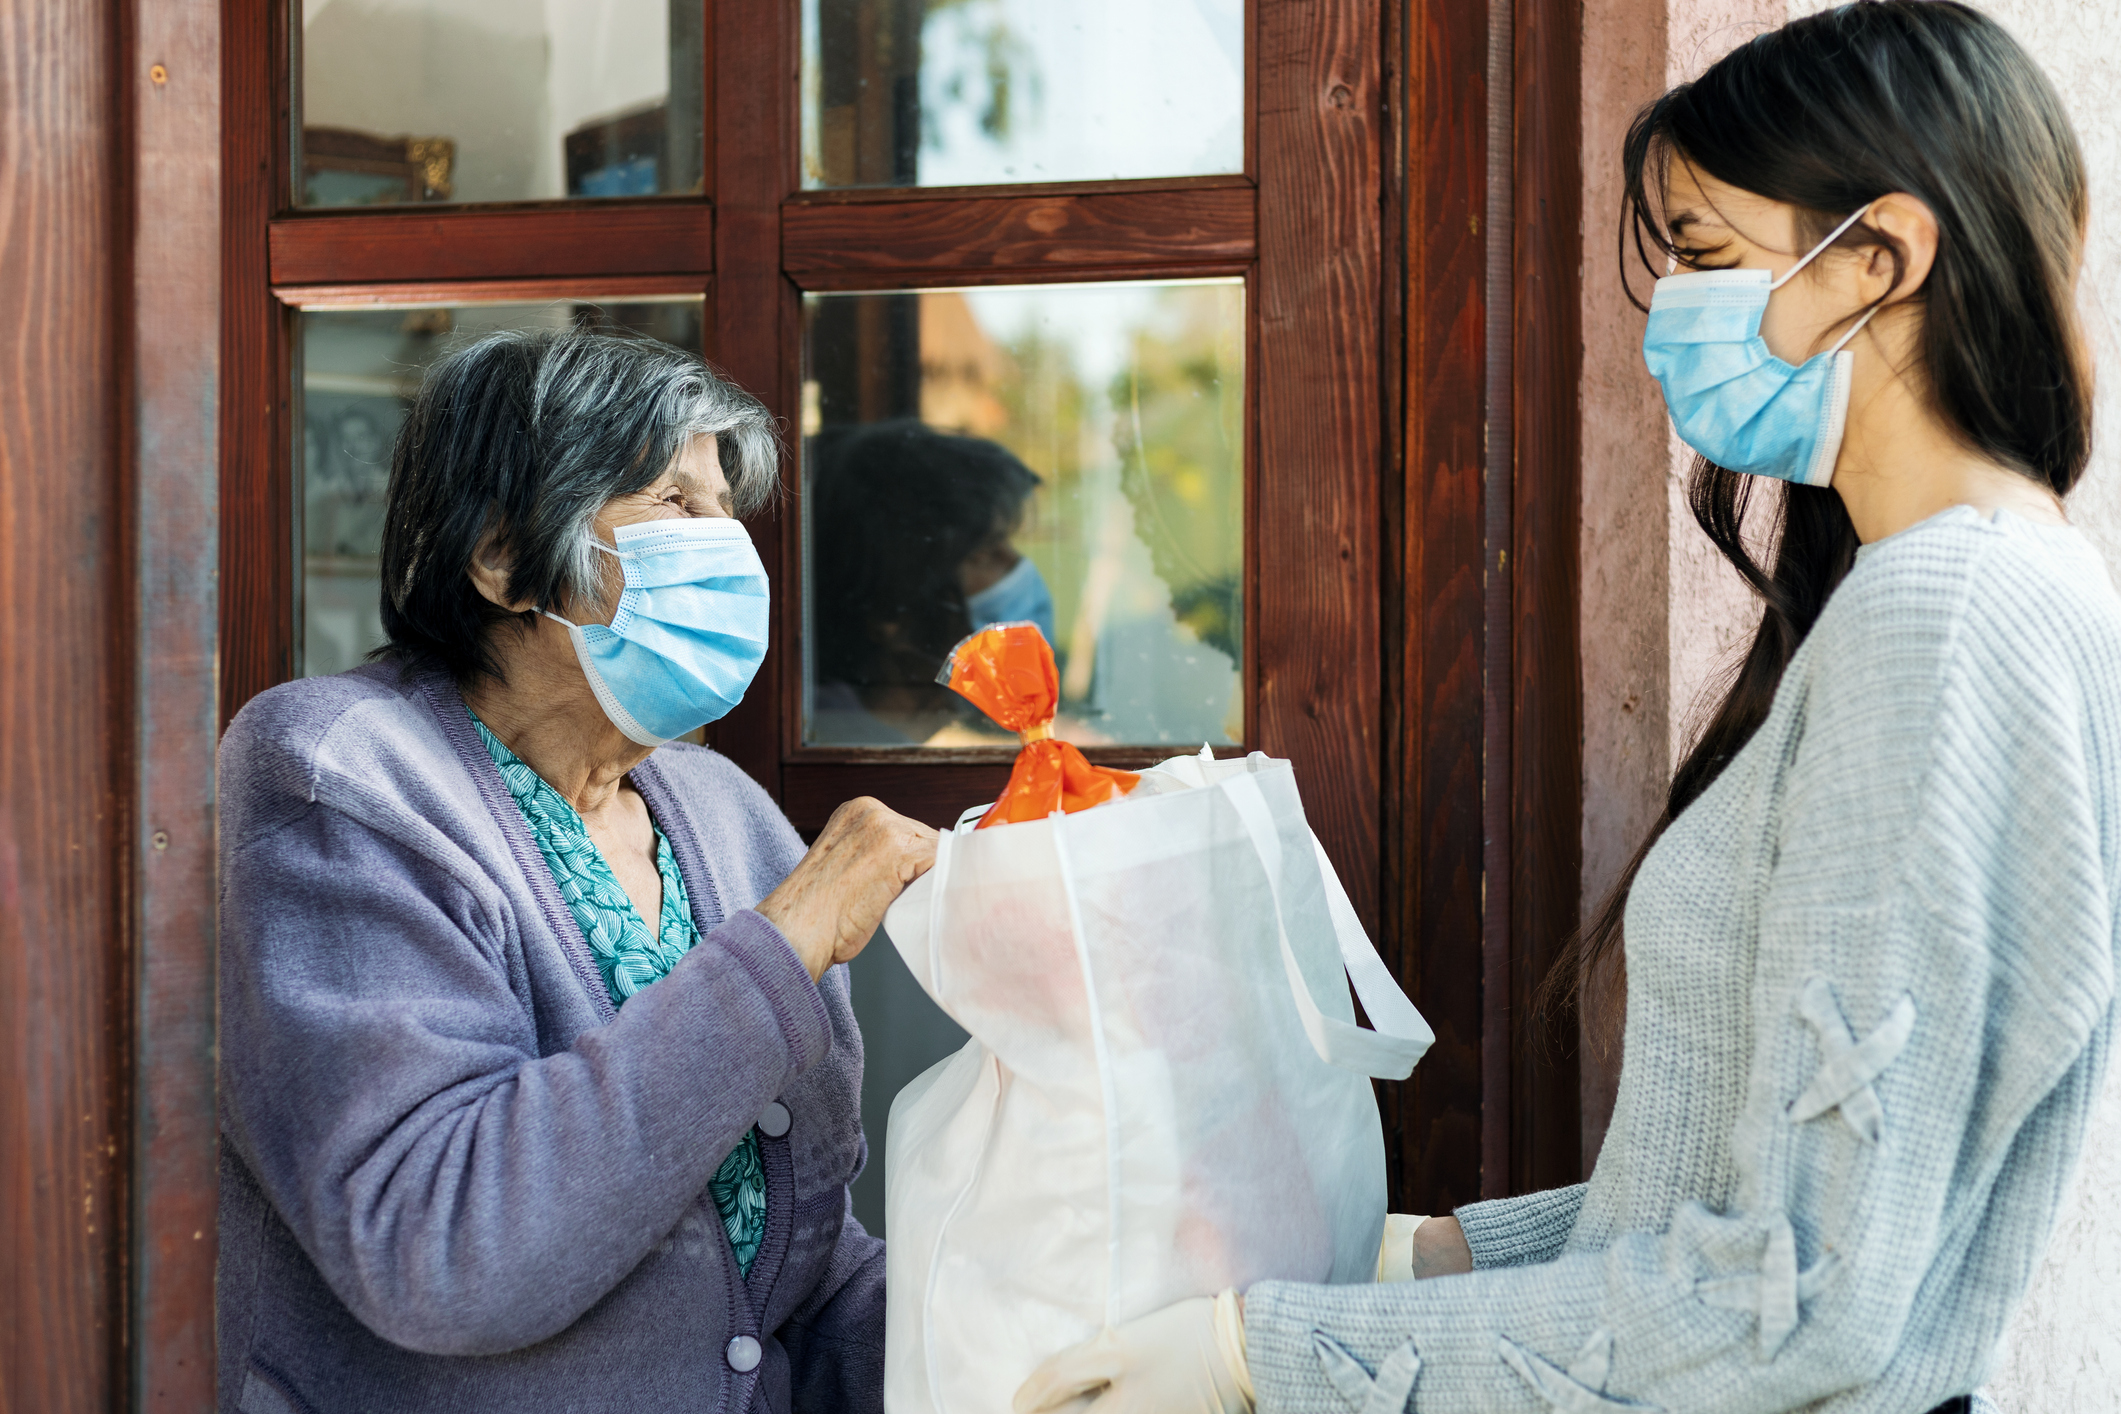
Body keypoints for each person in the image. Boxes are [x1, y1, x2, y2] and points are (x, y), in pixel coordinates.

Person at [1016, 4, 2116, 1412]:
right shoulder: (1994, 590)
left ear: (1882, 259)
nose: (1673, 317)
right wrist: (1433, 1255)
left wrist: (1264, 1356)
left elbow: (1795, 1296)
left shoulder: (1941, 619)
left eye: (1711, 257)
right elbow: (1729, 1174)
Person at [216, 328, 937, 1413]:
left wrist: (1028, 1330)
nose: (728, 545)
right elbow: (444, 1246)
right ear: (505, 558)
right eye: (672, 501)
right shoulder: (341, 776)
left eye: (727, 508)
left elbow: (794, 1271)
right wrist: (783, 946)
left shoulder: (724, 811)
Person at [807, 419, 1051, 744]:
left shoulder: (869, 742)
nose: (1018, 567)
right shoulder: (837, 753)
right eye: (983, 554)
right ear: (891, 613)